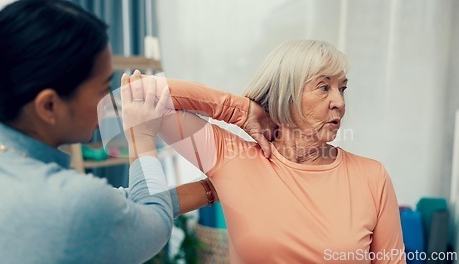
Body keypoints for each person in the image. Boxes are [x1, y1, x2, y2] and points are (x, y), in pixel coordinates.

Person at [0, 1, 219, 263]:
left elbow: (120, 207)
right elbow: (151, 225)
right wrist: (141, 138)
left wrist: (215, 186)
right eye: (103, 88)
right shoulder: (69, 203)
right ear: (49, 106)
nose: (110, 101)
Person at [133, 40, 405, 263]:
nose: (340, 102)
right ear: (284, 95)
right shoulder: (234, 160)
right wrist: (240, 110)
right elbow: (139, 92)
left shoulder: (372, 176)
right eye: (324, 87)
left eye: (342, 88)